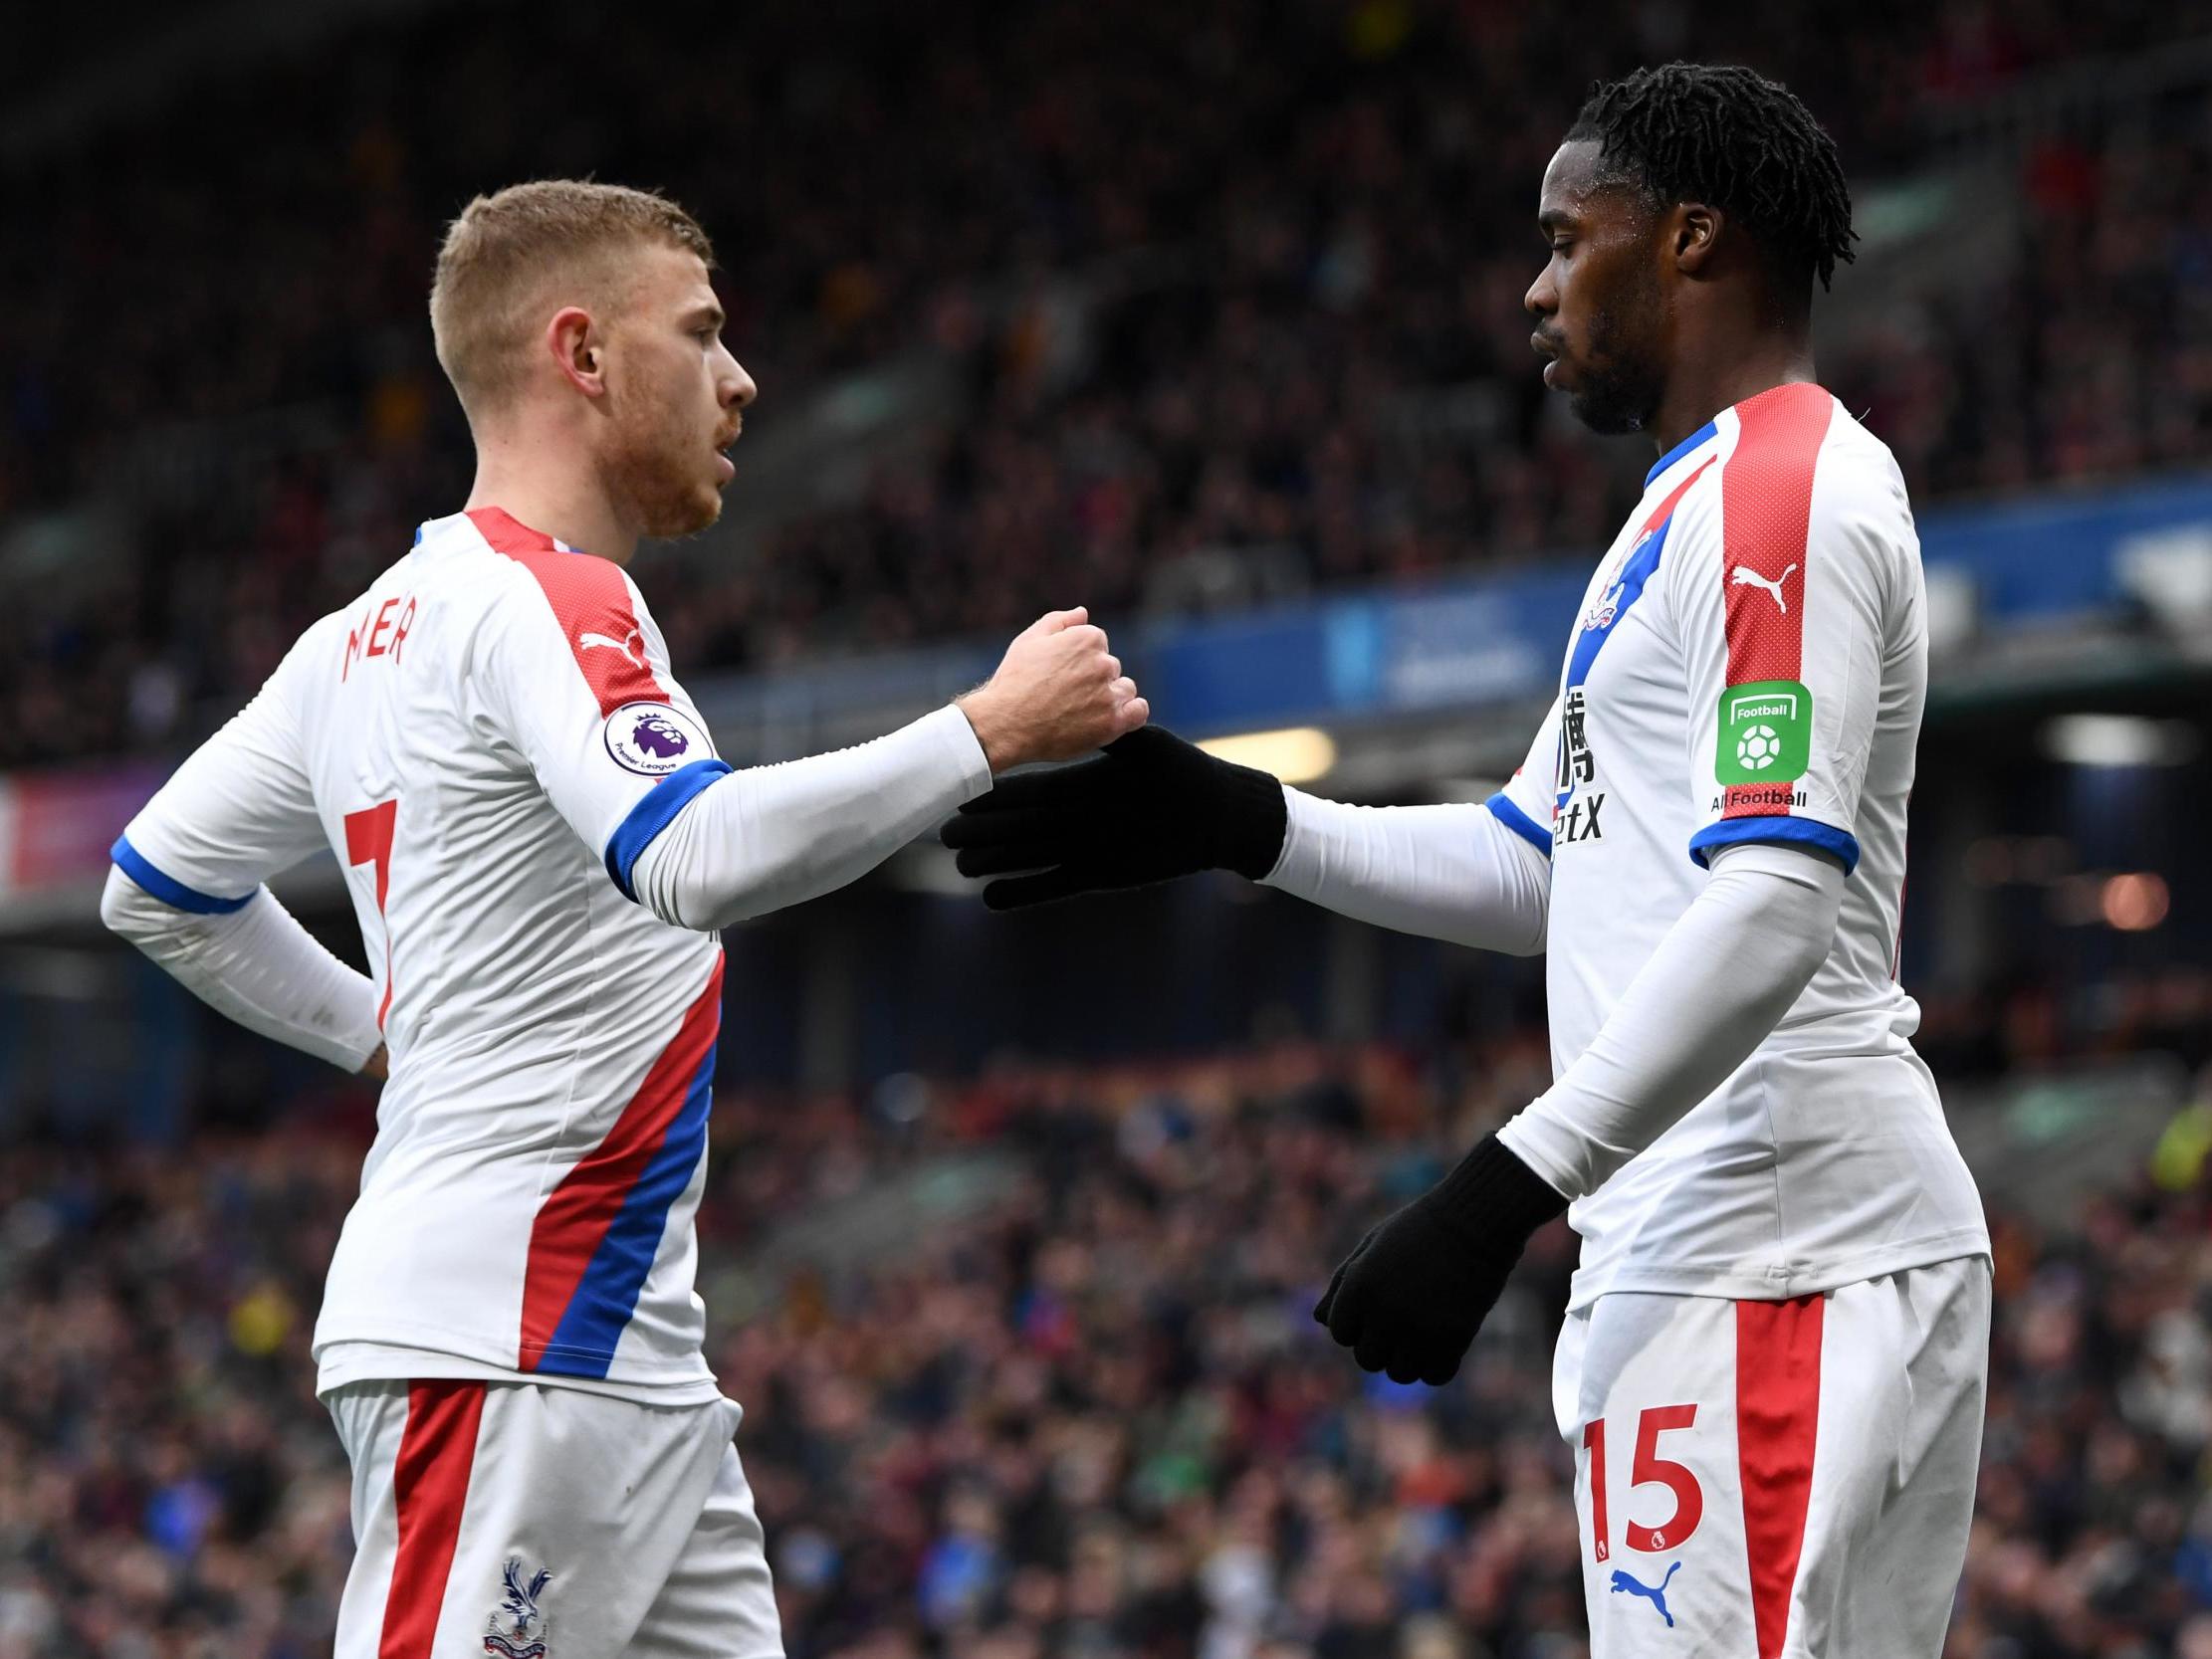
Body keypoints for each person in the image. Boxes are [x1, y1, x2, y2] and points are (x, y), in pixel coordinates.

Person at [944, 64, 1989, 1658]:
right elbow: (1535, 865)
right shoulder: (1679, 513)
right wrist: (1247, 822)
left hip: (1769, 1249)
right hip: (1735, 1251)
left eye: (1570, 239)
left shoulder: (1780, 493)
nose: (1535, 284)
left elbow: (1779, 890)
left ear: (1692, 239)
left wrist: (1507, 1186)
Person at [101, 180, 1147, 1657]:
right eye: (704, 333)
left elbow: (154, 885)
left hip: (620, 1360)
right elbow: (695, 852)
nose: (742, 378)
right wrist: (983, 728)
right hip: (508, 1347)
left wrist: (371, 1036)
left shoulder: (355, 639)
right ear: (582, 356)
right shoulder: (550, 596)